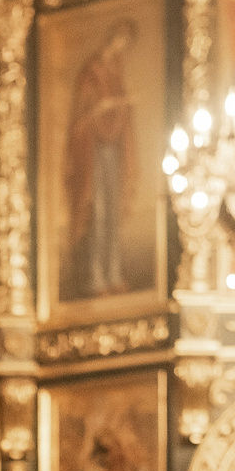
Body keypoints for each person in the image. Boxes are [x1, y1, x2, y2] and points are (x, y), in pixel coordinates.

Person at [64, 22, 137, 298]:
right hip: (92, 149)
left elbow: (118, 109)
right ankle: (96, 276)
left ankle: (113, 273)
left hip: (113, 148)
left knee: (113, 212)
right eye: (120, 40)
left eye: (126, 43)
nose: (121, 47)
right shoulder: (91, 70)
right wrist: (103, 106)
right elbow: (82, 112)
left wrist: (120, 105)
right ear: (113, 37)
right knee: (99, 213)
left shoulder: (116, 70)